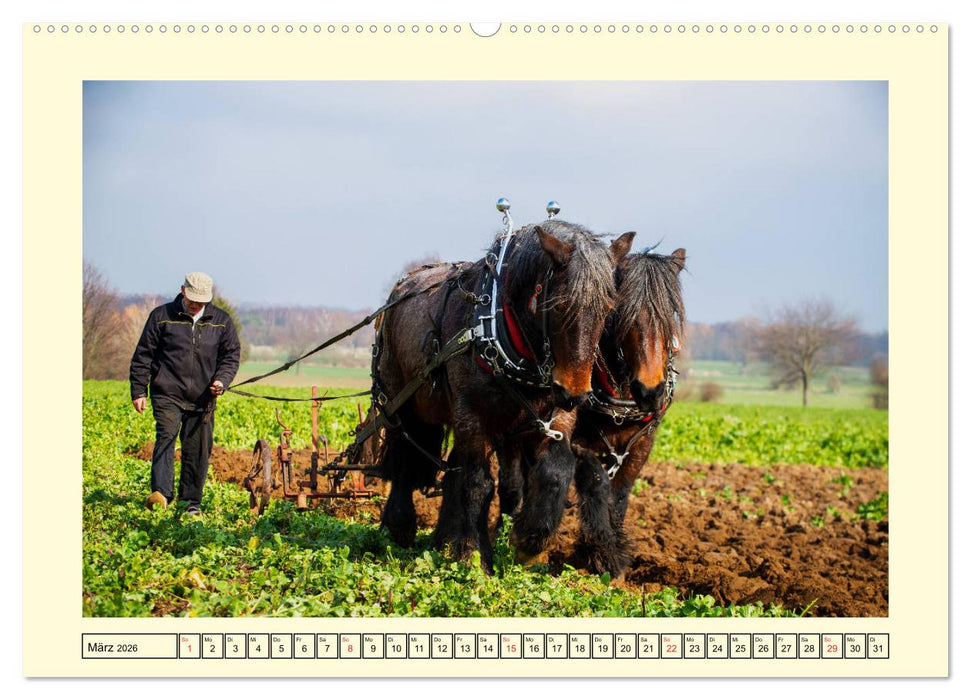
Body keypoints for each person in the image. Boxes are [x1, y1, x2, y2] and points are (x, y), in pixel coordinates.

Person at [129, 272, 241, 516]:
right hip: (167, 392)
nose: (196, 305)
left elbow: (230, 356)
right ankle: (161, 494)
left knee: (198, 448)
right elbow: (143, 356)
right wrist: (139, 390)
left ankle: (191, 502)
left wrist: (222, 380)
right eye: (192, 299)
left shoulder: (221, 321)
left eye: (201, 301)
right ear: (183, 291)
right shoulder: (161, 316)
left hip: (203, 397)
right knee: (166, 436)